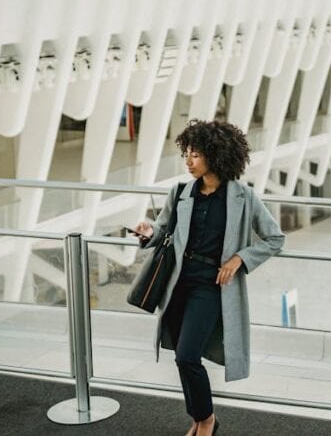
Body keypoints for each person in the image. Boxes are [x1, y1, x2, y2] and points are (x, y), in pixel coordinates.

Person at [132, 119, 285, 436]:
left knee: (188, 356)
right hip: (178, 283)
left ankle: (208, 420)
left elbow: (275, 238)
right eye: (186, 154)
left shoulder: (244, 198)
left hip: (211, 287)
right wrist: (147, 232)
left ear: (216, 156)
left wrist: (240, 258)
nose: (188, 161)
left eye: (195, 155)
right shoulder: (180, 193)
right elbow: (162, 231)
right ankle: (199, 419)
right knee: (181, 358)